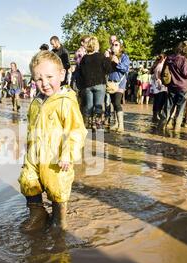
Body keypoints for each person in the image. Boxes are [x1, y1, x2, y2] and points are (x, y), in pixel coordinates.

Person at [18, 50, 87, 233]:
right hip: (35, 154)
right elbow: (32, 127)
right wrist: (28, 146)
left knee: (57, 187)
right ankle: (37, 214)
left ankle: (59, 219)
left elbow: (76, 130)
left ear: (62, 74)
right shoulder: (36, 102)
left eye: (49, 77)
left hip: (56, 157)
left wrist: (68, 154)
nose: (44, 83)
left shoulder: (66, 102)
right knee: (28, 181)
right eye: (38, 79)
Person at [78, 36, 113, 130]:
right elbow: (108, 69)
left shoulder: (84, 58)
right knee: (98, 105)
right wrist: (107, 59)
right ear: (96, 45)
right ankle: (97, 124)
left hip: (87, 85)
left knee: (89, 106)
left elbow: (80, 72)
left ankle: (89, 125)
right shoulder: (101, 56)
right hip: (99, 84)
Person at [158, 41, 187, 131]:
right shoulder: (183, 59)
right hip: (182, 87)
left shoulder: (169, 58)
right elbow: (186, 74)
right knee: (180, 108)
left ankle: (162, 126)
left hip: (171, 86)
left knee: (168, 107)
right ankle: (177, 127)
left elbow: (163, 72)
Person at [106, 39, 130, 133]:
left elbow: (125, 68)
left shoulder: (124, 57)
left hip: (120, 83)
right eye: (113, 45)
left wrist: (117, 63)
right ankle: (116, 123)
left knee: (117, 103)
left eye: (116, 45)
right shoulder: (110, 56)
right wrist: (106, 59)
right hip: (111, 83)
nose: (114, 46)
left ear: (120, 47)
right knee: (113, 104)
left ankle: (121, 125)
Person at [150, 54, 168, 123]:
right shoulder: (161, 66)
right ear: (164, 58)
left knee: (157, 101)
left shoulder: (157, 65)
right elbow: (159, 77)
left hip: (157, 86)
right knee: (160, 101)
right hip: (160, 86)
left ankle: (155, 115)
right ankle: (156, 115)